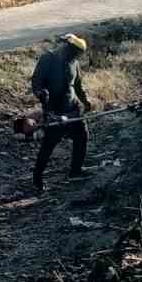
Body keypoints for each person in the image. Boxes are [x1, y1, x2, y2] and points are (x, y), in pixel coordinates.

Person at [29, 34, 93, 195]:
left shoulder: (75, 63)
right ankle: (37, 179)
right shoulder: (47, 59)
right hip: (54, 110)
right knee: (49, 145)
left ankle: (76, 171)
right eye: (74, 52)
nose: (75, 56)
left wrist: (85, 101)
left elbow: (77, 86)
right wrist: (40, 93)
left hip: (73, 108)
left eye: (78, 54)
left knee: (82, 137)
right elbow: (36, 81)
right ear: (67, 47)